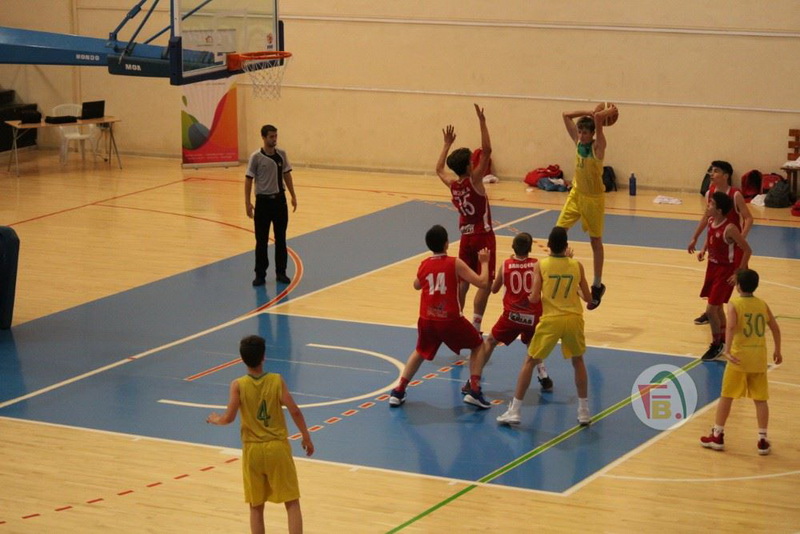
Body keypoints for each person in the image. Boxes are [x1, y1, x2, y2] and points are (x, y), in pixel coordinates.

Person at [207, 335, 314, 534]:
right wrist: (305, 436)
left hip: (253, 451)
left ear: (242, 359)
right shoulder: (276, 380)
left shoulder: (237, 385)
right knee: (292, 502)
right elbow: (295, 411)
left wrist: (215, 419)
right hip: (277, 448)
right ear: (264, 356)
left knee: (256, 507)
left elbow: (228, 418)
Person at [497, 227, 593, 426]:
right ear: (567, 246)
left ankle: (515, 411)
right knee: (578, 361)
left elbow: (533, 298)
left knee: (529, 361)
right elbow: (588, 298)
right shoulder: (577, 266)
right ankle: (584, 411)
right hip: (573, 319)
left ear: (548, 246)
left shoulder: (541, 265)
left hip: (551, 320)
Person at [389, 224, 492, 409]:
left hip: (427, 319)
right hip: (450, 319)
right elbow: (483, 283)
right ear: (446, 243)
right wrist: (484, 262)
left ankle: (398, 391)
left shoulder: (424, 264)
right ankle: (475, 391)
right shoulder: (454, 263)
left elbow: (416, 285)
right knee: (478, 345)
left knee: (420, 351)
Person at [700, 269, 782, 455]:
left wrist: (727, 350)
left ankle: (717, 435)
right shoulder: (762, 304)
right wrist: (777, 350)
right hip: (758, 358)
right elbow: (775, 328)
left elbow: (730, 327)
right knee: (761, 399)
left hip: (739, 358)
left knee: (726, 396)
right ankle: (762, 439)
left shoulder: (735, 304)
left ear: (738, 286)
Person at [436, 104, 497, 334]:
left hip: (465, 237)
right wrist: (482, 121)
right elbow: (487, 150)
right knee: (485, 282)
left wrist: (446, 144)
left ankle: (457, 320)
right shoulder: (475, 181)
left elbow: (439, 169)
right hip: (483, 236)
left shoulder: (454, 185)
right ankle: (476, 324)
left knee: (463, 282)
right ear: (470, 165)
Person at [556, 105, 617, 310]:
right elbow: (565, 115)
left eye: (585, 132)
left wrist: (603, 114)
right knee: (558, 233)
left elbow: (598, 120)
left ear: (592, 134)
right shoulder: (577, 143)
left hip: (593, 199)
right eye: (580, 131)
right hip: (576, 194)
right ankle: (562, 268)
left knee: (595, 241)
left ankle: (597, 285)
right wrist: (588, 111)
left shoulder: (598, 147)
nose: (581, 135)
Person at [478, 232, 552, 394]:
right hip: (533, 315)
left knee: (490, 341)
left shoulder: (506, 265)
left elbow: (494, 289)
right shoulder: (537, 264)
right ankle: (543, 374)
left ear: (513, 247)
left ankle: (474, 379)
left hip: (512, 316)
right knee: (532, 342)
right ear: (530, 248)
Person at [688, 160, 753, 325]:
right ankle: (711, 312)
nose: (711, 174)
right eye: (711, 170)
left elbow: (748, 218)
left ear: (726, 175)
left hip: (733, 245)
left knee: (739, 283)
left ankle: (746, 312)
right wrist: (696, 238)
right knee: (716, 282)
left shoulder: (735, 194)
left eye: (716, 171)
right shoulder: (710, 193)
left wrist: (741, 238)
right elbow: (707, 218)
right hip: (718, 246)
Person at [695, 191, 752, 361]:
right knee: (717, 307)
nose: (708, 206)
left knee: (711, 310)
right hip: (712, 267)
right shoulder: (711, 221)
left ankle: (716, 344)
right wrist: (704, 249)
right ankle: (725, 340)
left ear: (719, 210)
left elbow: (747, 250)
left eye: (711, 204)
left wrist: (738, 272)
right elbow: (711, 237)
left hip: (725, 271)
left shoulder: (730, 229)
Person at [245, 124, 298, 286]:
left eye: (276, 136)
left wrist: (293, 195)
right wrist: (247, 202)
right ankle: (260, 274)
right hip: (263, 203)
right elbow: (248, 180)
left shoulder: (282, 155)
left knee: (281, 238)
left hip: (279, 202)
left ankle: (281, 272)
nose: (274, 139)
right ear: (263, 137)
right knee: (261, 240)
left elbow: (287, 175)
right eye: (271, 137)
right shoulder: (256, 157)